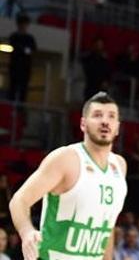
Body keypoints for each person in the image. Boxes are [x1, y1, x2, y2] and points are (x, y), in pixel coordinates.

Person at [8, 92, 128, 260]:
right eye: (97, 115)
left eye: (111, 116)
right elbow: (19, 200)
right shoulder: (66, 159)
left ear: (117, 127)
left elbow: (108, 225)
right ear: (83, 124)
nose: (105, 121)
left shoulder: (119, 166)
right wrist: (26, 232)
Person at [7, 14, 36, 102]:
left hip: (25, 67)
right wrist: (23, 50)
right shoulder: (13, 37)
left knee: (23, 91)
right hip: (15, 66)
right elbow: (14, 48)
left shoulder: (30, 38)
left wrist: (23, 50)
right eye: (21, 24)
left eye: (25, 24)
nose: (23, 26)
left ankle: (20, 111)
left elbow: (31, 50)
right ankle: (11, 110)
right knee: (12, 89)